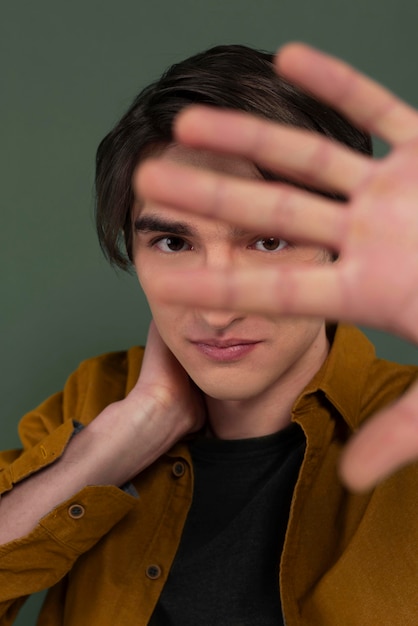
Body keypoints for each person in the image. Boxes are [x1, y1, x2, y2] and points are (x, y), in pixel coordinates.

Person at [0, 43, 417, 626]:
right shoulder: (93, 402)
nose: (216, 308)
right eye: (173, 243)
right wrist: (121, 437)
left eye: (268, 241)